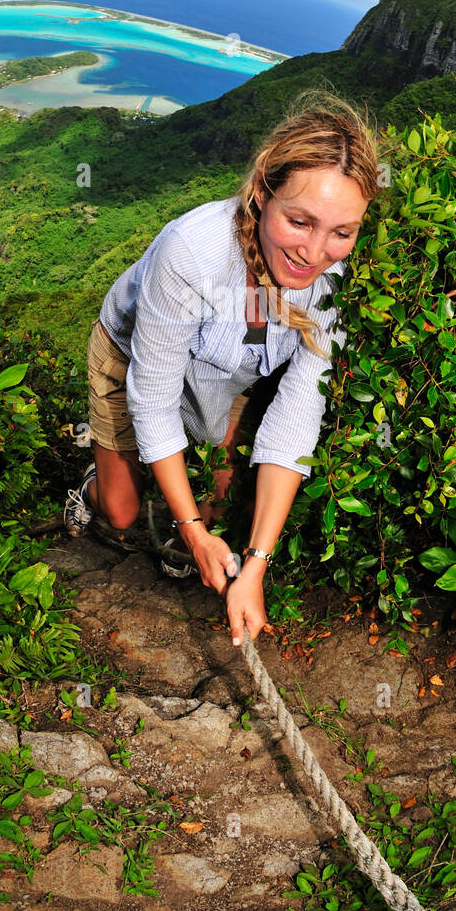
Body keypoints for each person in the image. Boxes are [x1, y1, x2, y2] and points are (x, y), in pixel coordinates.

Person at [64, 90, 380, 647]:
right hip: (133, 352)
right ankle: (98, 484)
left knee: (214, 505)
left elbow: (295, 421)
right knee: (121, 512)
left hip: (230, 374)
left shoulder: (337, 287)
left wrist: (254, 565)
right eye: (300, 221)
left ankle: (188, 527)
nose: (315, 252)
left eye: (342, 232)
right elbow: (155, 398)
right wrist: (192, 531)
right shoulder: (194, 252)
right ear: (263, 194)